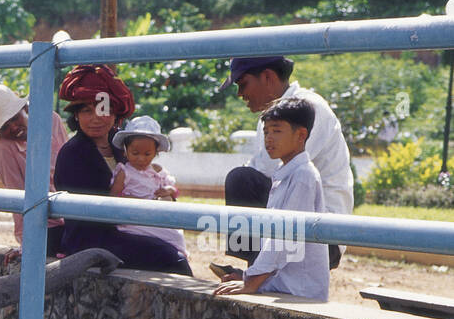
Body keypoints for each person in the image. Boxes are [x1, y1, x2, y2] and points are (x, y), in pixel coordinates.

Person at [215, 55, 352, 280]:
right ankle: (259, 269)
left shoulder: (307, 108)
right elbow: (262, 168)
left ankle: (261, 274)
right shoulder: (273, 117)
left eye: (243, 84)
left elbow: (278, 174)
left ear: (267, 77)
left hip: (323, 236)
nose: (240, 94)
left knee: (242, 180)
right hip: (299, 226)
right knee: (243, 178)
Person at [53, 64, 192, 275]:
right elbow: (92, 214)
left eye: (103, 110)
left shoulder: (124, 146)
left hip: (129, 226)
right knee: (172, 258)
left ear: (115, 114)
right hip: (92, 238)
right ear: (76, 116)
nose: (95, 119)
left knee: (175, 246)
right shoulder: (73, 154)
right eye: (86, 111)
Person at [214, 98, 329, 302]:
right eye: (266, 132)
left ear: (301, 134)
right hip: (283, 282)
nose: (269, 138)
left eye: (277, 131)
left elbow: (284, 238)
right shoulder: (284, 173)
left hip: (298, 289)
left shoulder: (303, 176)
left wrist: (252, 282)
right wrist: (250, 276)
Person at [0, 83, 68, 260]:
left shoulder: (51, 120)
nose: (12, 128)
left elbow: (69, 165)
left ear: (25, 108)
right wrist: (26, 243)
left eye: (14, 118)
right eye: (3, 127)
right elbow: (17, 197)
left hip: (71, 213)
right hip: (44, 225)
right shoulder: (3, 149)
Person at [109, 115, 186, 256]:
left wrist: (168, 191)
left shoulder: (157, 171)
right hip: (133, 219)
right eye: (135, 153)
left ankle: (178, 257)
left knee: (176, 235)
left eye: (147, 154)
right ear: (125, 150)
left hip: (155, 215)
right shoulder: (125, 172)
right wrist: (128, 199)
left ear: (156, 152)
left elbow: (174, 192)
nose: (141, 158)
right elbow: (113, 196)